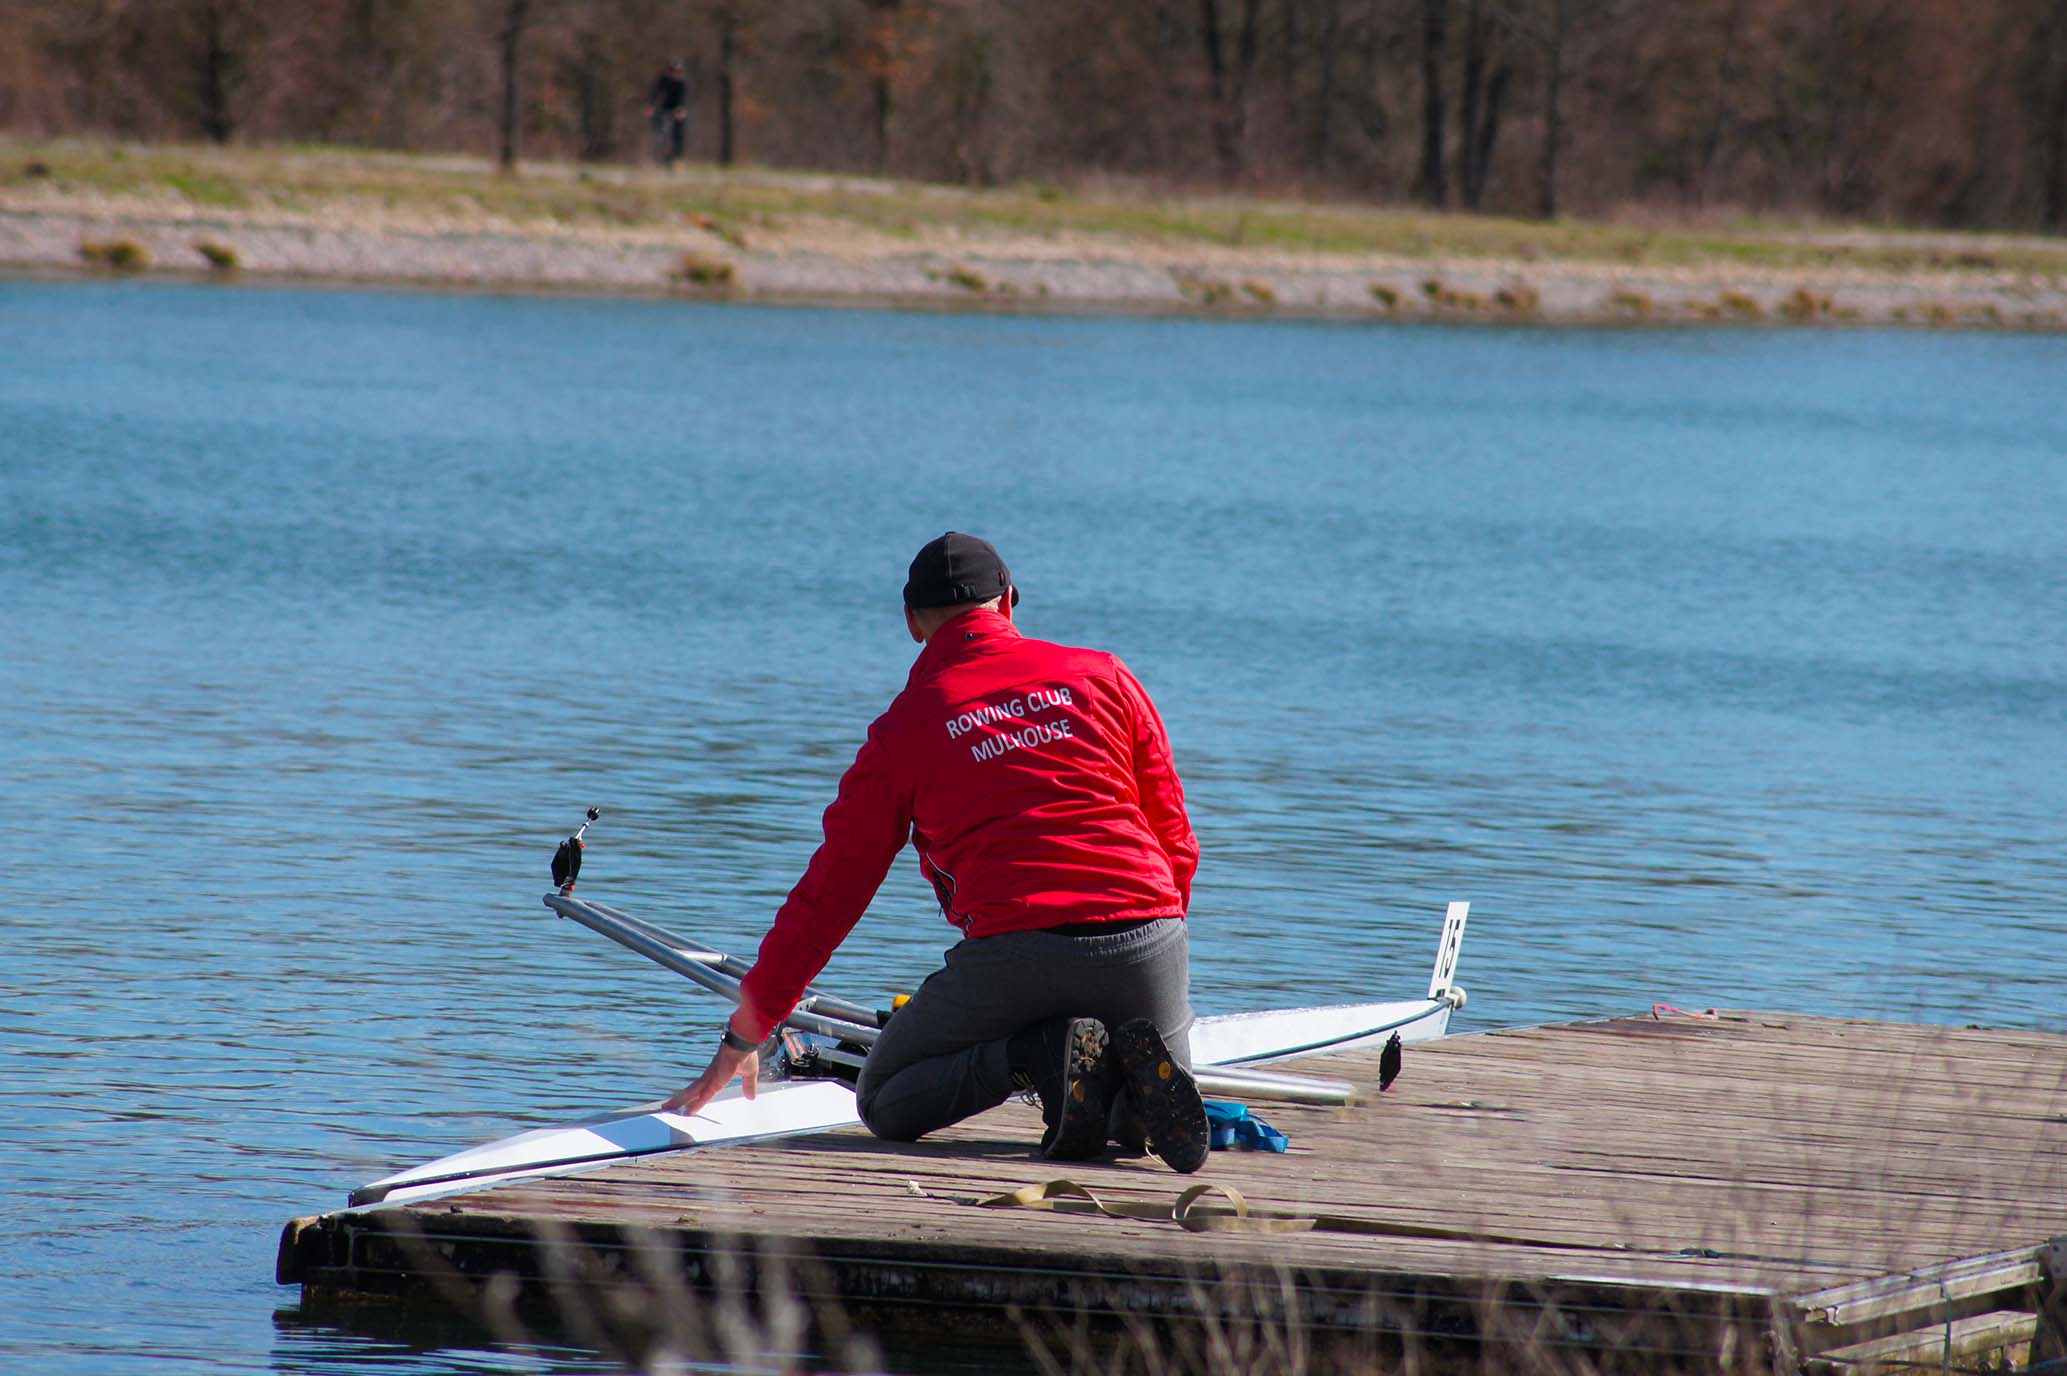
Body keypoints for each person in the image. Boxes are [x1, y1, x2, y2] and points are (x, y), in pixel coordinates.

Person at [665, 533, 1210, 1172]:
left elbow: (832, 895)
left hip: (1015, 952)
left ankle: (1036, 1052)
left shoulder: (906, 728)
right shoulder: (1106, 676)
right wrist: (1154, 948)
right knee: (1138, 1117)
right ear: (1008, 602)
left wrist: (748, 1031)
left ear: (912, 624)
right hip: (1145, 935)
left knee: (886, 1099)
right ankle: (1126, 1090)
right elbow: (1175, 839)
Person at [646, 58, 689, 167]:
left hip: (678, 109)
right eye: (673, 71)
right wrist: (651, 106)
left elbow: (683, 99)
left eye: (677, 71)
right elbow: (656, 92)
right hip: (665, 109)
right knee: (662, 132)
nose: (675, 74)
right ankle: (657, 158)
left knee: (678, 134)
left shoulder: (682, 82)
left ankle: (678, 159)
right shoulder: (664, 80)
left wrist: (681, 110)